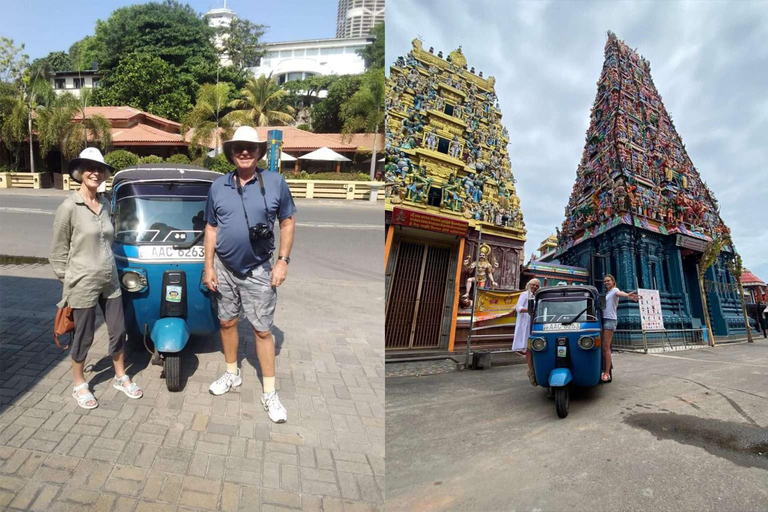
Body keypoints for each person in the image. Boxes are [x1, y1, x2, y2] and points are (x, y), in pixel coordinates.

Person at [203, 126, 296, 424]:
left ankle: (269, 392)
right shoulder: (218, 186)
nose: (244, 152)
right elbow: (211, 228)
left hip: (259, 270)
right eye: (238, 147)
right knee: (227, 321)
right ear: (231, 152)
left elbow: (288, 222)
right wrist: (208, 266)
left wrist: (282, 261)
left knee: (262, 330)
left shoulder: (275, 182)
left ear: (259, 153)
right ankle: (232, 373)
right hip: (225, 269)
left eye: (250, 148)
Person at [50, 147, 143, 410]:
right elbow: (57, 252)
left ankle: (120, 375)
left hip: (109, 278)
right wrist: (67, 282)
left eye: (99, 168)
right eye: (89, 168)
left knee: (118, 329)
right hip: (82, 282)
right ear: (79, 173)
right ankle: (79, 383)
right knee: (84, 334)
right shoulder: (69, 207)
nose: (95, 172)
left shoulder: (105, 204)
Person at [601, 274, 638, 382]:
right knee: (604, 346)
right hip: (604, 320)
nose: (606, 282)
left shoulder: (614, 290)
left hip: (610, 320)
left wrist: (627, 295)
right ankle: (607, 368)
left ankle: (607, 373)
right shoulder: (607, 293)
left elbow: (619, 293)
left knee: (606, 347)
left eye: (608, 281)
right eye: (605, 281)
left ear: (613, 282)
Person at [512, 279, 540, 385]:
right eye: (533, 285)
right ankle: (531, 371)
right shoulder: (524, 294)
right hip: (525, 324)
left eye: (537, 286)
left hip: (534, 323)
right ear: (529, 285)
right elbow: (518, 307)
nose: (535, 287)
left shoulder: (537, 297)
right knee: (528, 348)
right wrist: (528, 311)